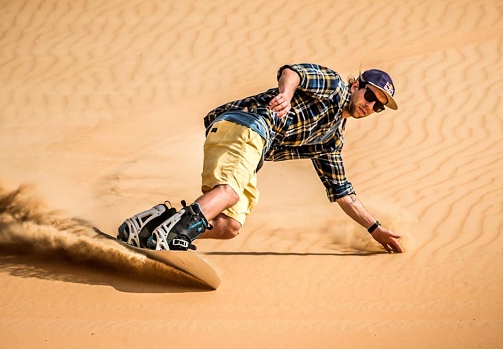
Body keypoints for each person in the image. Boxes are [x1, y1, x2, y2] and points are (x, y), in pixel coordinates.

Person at [117, 63, 404, 254]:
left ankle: (150, 226)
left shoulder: (331, 138)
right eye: (370, 96)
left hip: (253, 147)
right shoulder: (336, 86)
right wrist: (286, 95)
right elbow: (294, 72)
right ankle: (173, 236)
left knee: (230, 226)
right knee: (228, 193)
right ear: (357, 86)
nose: (370, 105)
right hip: (248, 125)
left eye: (378, 106)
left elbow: (344, 194)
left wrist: (374, 229)